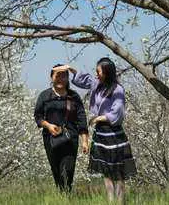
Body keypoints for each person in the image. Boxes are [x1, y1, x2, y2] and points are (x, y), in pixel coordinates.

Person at [56, 58, 137, 203]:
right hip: (100, 134)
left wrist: (98, 118)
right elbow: (84, 80)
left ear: (106, 72)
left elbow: (117, 113)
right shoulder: (98, 84)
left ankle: (121, 202)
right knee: (106, 171)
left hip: (114, 134)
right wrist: (71, 69)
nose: (96, 74)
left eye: (98, 71)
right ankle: (110, 201)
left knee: (117, 172)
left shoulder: (118, 89)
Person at [34, 64, 90, 193]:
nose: (60, 79)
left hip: (71, 138)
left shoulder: (74, 96)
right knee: (56, 169)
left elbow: (81, 119)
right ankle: (61, 195)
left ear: (68, 78)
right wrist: (48, 125)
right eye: (57, 76)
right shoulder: (45, 96)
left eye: (63, 76)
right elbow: (37, 116)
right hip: (51, 139)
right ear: (51, 77)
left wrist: (85, 141)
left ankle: (66, 194)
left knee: (68, 170)